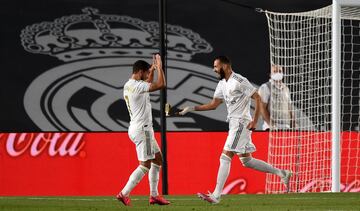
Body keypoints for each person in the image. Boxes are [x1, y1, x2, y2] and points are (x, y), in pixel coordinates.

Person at [178, 56, 292, 204]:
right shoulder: (221, 84)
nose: (214, 69)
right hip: (233, 123)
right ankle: (281, 173)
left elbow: (257, 97)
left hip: (241, 123)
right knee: (247, 161)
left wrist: (255, 121)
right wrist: (191, 108)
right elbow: (214, 104)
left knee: (225, 156)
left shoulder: (239, 80)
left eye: (216, 66)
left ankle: (216, 195)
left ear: (225, 66)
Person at [116, 54, 170, 206]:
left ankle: (154, 195)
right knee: (145, 164)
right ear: (140, 72)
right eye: (146, 73)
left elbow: (148, 83)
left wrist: (151, 71)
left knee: (158, 159)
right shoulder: (138, 86)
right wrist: (159, 67)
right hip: (143, 129)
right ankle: (124, 193)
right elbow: (161, 84)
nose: (147, 76)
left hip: (136, 127)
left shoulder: (129, 85)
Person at [258, 65, 295, 131]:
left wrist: (293, 126)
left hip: (286, 127)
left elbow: (290, 109)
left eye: (280, 71)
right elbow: (262, 108)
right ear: (270, 74)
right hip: (272, 128)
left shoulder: (286, 88)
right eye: (275, 71)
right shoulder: (265, 87)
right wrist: (272, 125)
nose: (278, 73)